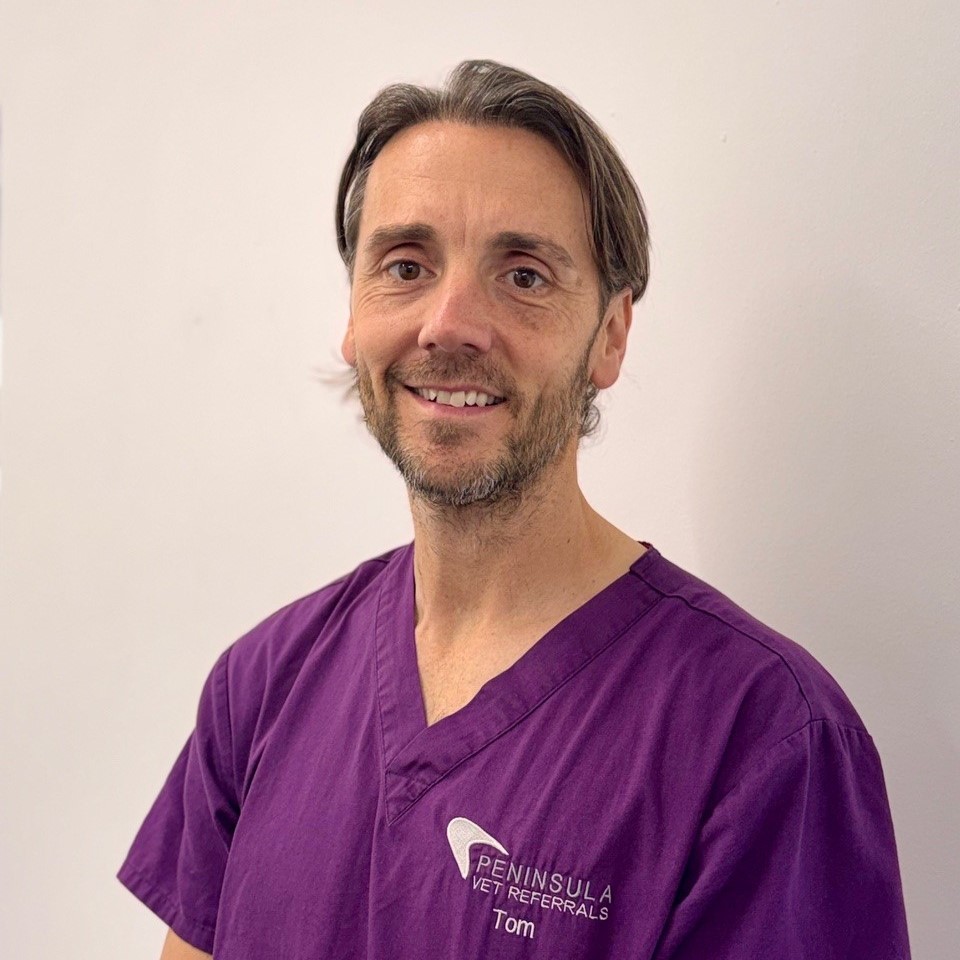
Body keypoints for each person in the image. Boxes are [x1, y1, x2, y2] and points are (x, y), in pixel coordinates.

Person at [118, 60, 911, 959]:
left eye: (524, 275)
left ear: (610, 335)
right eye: (406, 265)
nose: (450, 323)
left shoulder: (761, 737)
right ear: (353, 312)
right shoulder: (262, 687)